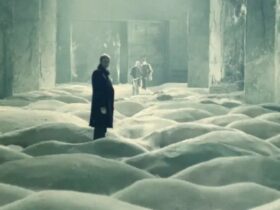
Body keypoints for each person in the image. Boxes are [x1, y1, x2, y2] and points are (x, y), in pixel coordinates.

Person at [89, 54, 115, 140]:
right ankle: (96, 146)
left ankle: (100, 145)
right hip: (101, 106)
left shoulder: (105, 74)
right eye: (104, 61)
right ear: (101, 62)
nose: (106, 63)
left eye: (108, 62)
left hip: (106, 106)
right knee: (99, 127)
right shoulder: (97, 73)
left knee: (103, 128)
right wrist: (102, 106)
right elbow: (98, 91)